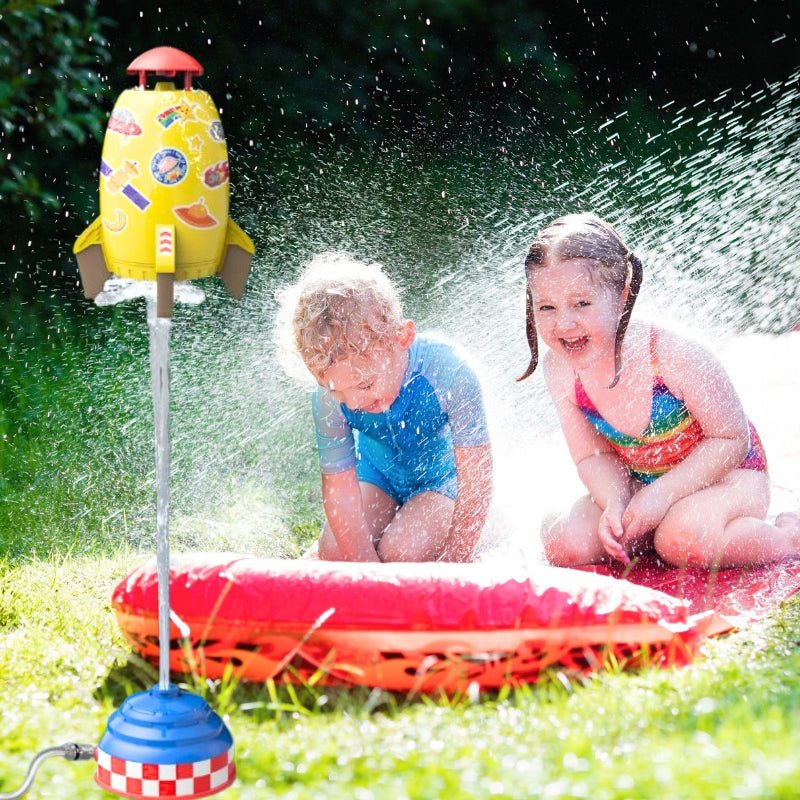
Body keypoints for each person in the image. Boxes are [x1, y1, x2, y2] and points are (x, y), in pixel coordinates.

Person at [518, 212, 800, 569]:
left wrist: (662, 496)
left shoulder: (672, 354)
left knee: (682, 540)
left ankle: (788, 536)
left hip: (728, 476)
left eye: (582, 303)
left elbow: (731, 439)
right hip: (642, 483)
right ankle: (654, 530)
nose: (564, 323)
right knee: (565, 542)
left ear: (621, 295)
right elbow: (592, 457)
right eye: (546, 307)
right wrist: (616, 503)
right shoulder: (560, 369)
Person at [277, 252, 493, 562]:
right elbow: (340, 492)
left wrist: (457, 557)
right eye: (338, 392)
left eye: (364, 385)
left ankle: (490, 528)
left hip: (443, 481)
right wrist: (366, 568)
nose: (354, 403)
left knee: (402, 552)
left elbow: (477, 476)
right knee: (335, 552)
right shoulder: (328, 399)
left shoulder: (448, 370)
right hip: (380, 478)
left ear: (402, 337)